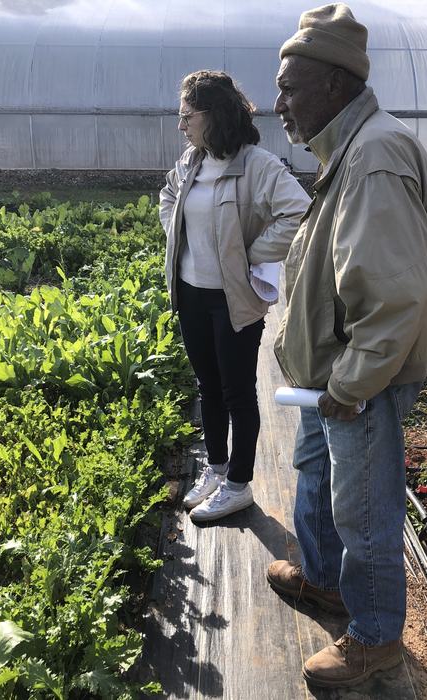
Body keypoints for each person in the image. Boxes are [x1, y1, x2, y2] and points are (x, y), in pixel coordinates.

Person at [264, 3, 427, 688]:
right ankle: (323, 579)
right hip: (332, 371)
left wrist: (350, 384)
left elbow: (392, 293)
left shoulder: (372, 156)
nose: (279, 104)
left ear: (335, 83)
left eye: (290, 88)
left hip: (358, 378)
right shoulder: (350, 147)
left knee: (364, 510)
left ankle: (374, 639)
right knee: (315, 474)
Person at [160, 71, 310, 523]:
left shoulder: (257, 165)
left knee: (238, 392)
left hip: (232, 300)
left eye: (187, 116)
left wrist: (251, 253)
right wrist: (177, 233)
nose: (181, 125)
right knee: (207, 387)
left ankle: (239, 485)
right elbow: (168, 196)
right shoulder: (192, 161)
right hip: (190, 293)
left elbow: (299, 213)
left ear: (214, 115)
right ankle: (217, 467)